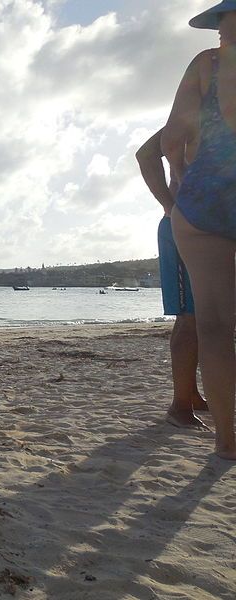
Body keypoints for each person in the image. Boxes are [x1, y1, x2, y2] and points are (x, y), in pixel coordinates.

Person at [163, 1, 236, 458]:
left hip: (204, 203)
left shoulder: (207, 64)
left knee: (214, 327)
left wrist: (178, 177)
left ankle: (227, 441)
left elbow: (173, 137)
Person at [136, 129, 207, 428]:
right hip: (183, 227)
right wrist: (170, 205)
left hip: (212, 232)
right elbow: (146, 153)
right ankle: (180, 405)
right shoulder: (197, 110)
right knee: (190, 318)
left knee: (204, 318)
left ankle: (190, 393)